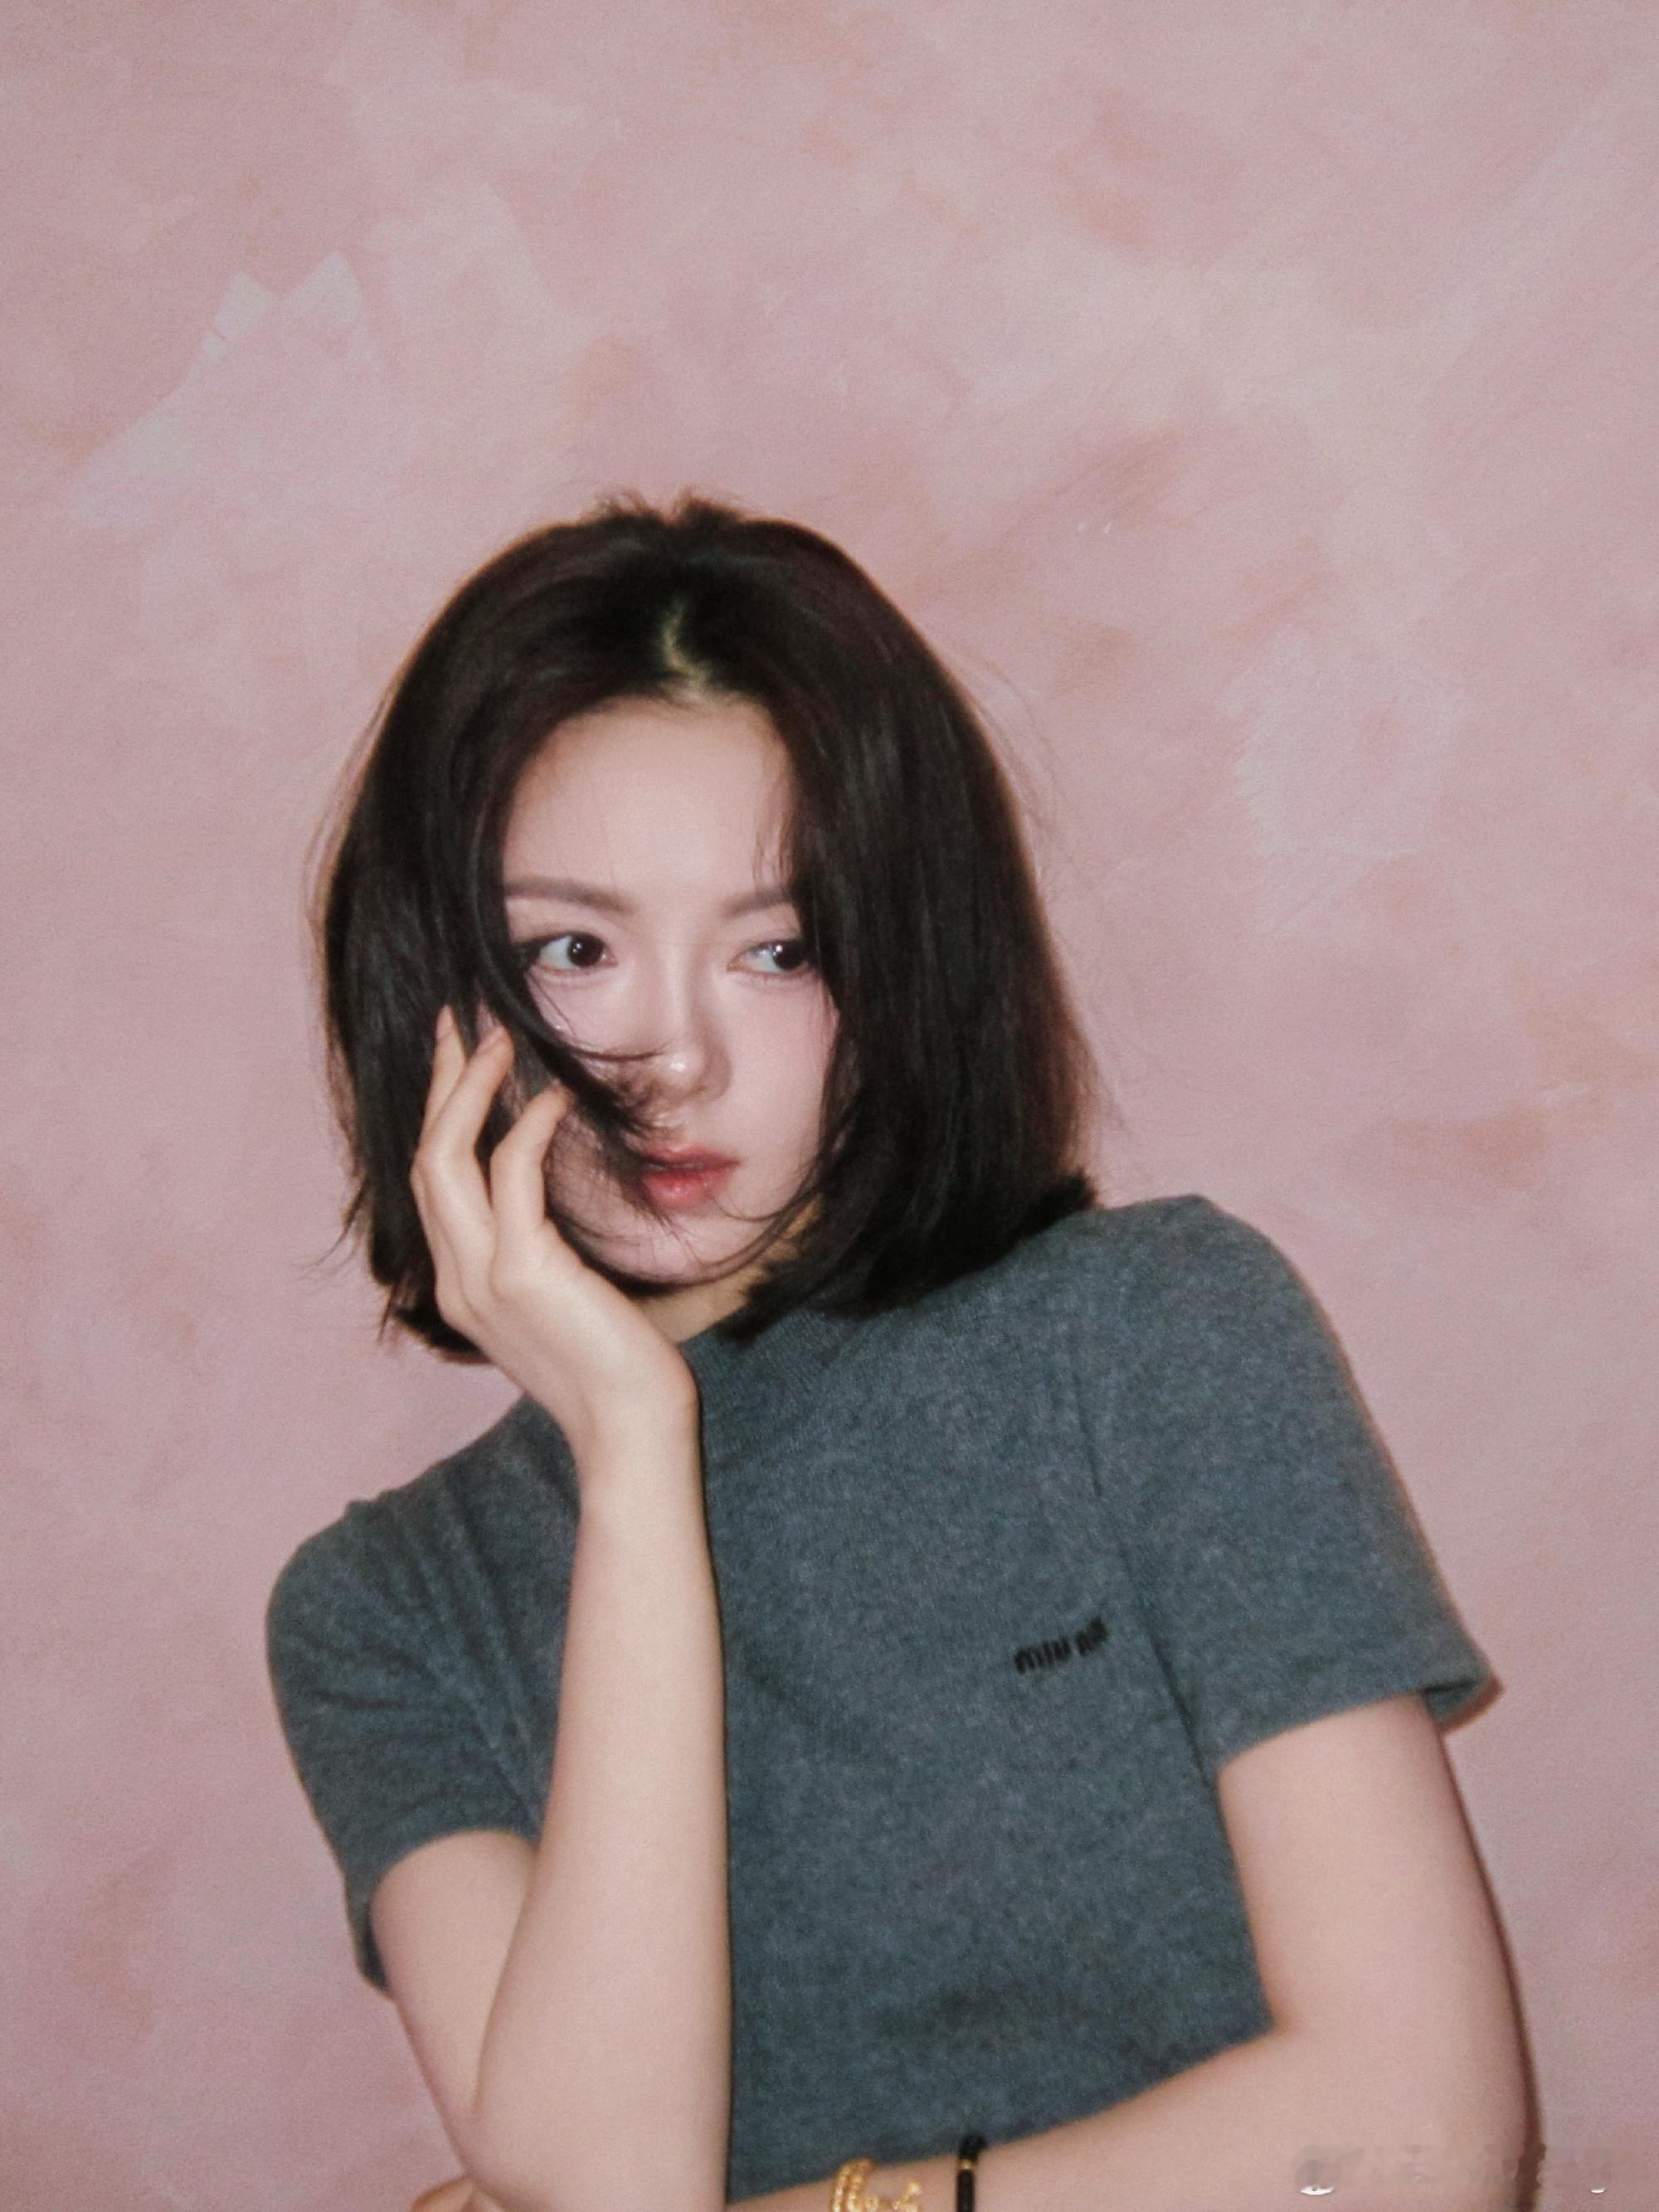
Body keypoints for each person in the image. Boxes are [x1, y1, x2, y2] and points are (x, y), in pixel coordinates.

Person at [265, 493, 1528, 2212]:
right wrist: (634, 1448)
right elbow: (607, 2184)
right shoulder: (386, 1613)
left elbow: (1423, 2151)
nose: (677, 1057)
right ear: (436, 991)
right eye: (575, 949)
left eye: (778, 948)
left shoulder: (1153, 1338)